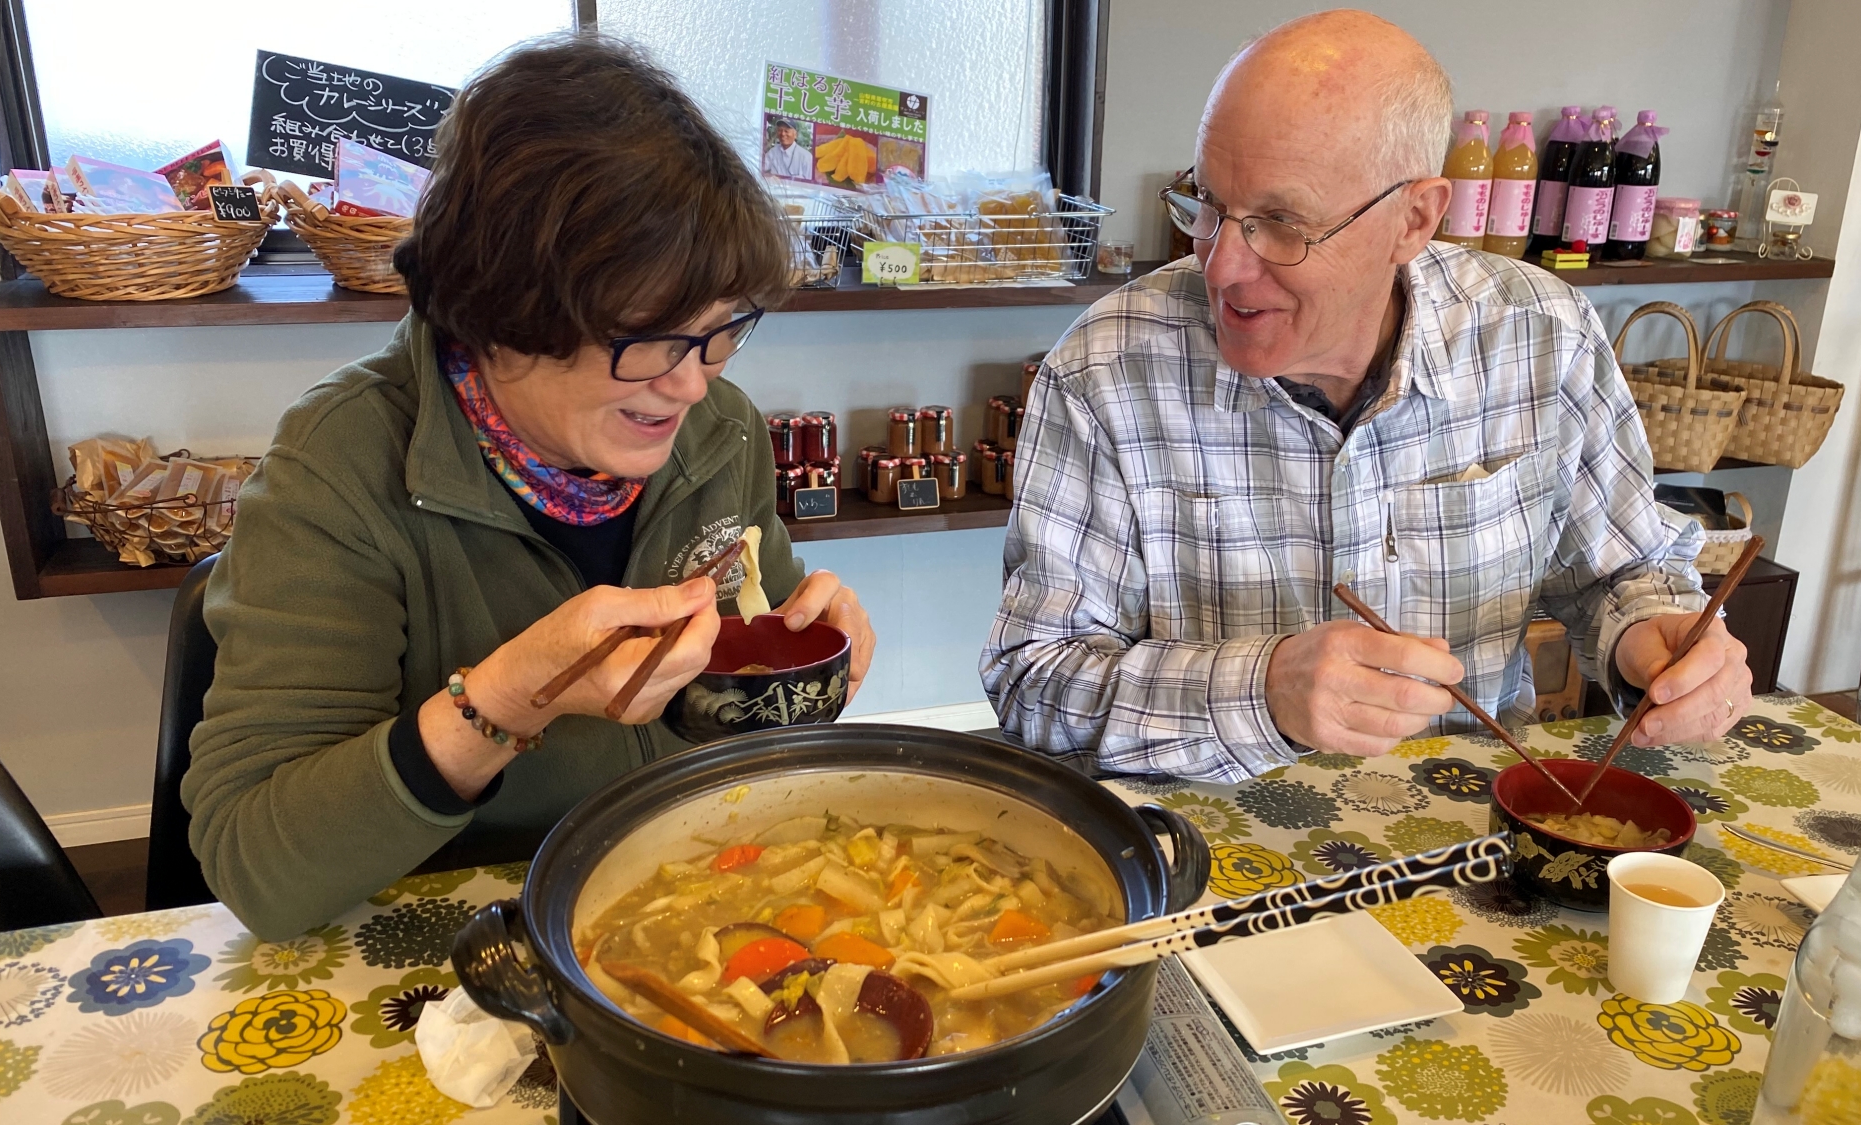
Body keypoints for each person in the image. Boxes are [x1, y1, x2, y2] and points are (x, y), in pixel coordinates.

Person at [184, 36, 874, 940]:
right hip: (460, 941)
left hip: (693, 911)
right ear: (501, 312)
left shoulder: (720, 432)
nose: (693, 382)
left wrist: (812, 665)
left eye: (721, 331)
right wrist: (505, 699)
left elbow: (748, 722)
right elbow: (259, 870)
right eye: (652, 339)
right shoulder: (341, 469)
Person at [983, 10, 1751, 783]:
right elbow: (1033, 683)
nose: (1219, 266)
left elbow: (1622, 571)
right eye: (1208, 204)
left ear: (1415, 219)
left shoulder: (1540, 335)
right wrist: (1262, 691)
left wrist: (1657, 636)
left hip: (1461, 830)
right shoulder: (1107, 369)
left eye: (1281, 223)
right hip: (1198, 850)